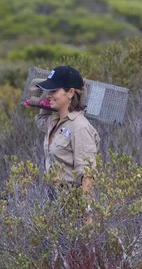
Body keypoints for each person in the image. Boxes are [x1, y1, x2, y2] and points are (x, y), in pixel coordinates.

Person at [33, 65, 100, 195]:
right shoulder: (55, 122)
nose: (48, 95)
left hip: (69, 199)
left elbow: (87, 175)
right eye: (48, 91)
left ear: (70, 92)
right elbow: (41, 120)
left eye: (54, 90)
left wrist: (87, 212)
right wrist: (45, 101)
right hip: (51, 195)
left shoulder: (80, 127)